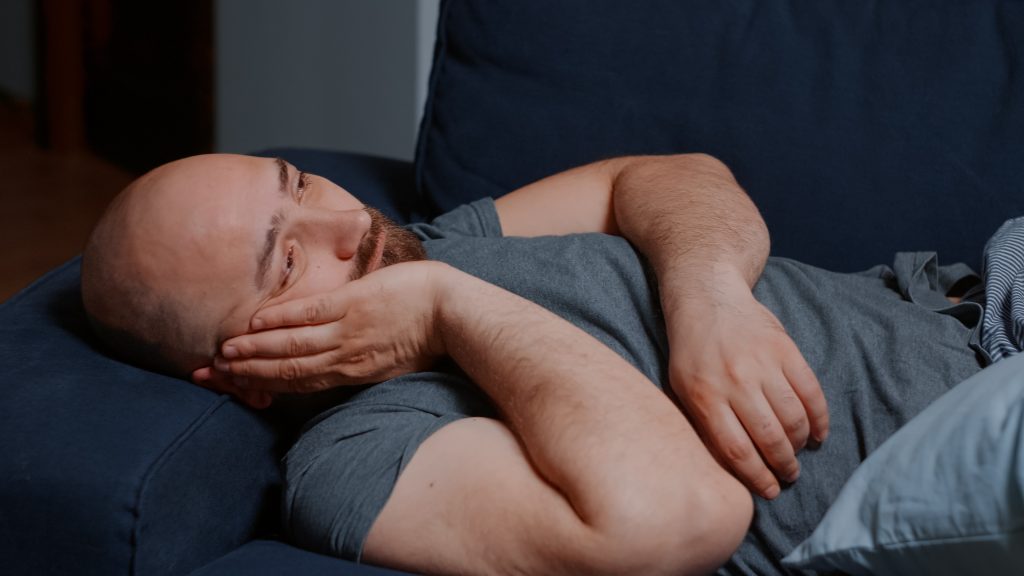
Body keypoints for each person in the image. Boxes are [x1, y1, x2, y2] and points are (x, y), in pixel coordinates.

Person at [81, 153, 984, 575]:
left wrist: (709, 300)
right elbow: (679, 521)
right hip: (984, 414)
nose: (349, 223)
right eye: (286, 261)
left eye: (301, 182)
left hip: (983, 293)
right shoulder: (358, 458)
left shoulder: (427, 241)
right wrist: (446, 308)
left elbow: (673, 177)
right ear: (240, 374)